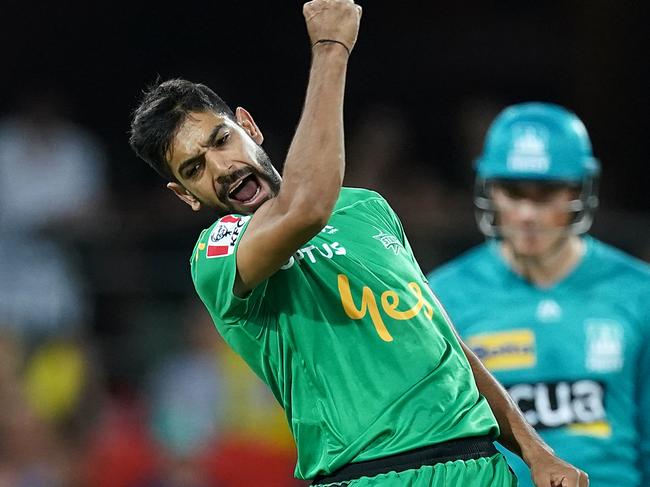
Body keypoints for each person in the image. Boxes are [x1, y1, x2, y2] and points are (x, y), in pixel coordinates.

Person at [129, 1, 587, 485]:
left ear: (250, 127)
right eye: (195, 169)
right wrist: (331, 47)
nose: (220, 168)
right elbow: (306, 207)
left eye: (221, 140)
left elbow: (444, 342)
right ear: (186, 196)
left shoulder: (368, 208)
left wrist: (536, 453)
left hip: (483, 468)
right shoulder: (218, 256)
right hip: (372, 474)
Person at [427, 102, 650, 487]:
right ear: (489, 190)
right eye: (513, 191)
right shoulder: (441, 296)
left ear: (580, 190)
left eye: (546, 192)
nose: (528, 213)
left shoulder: (639, 293)